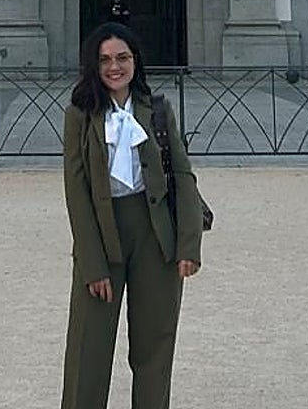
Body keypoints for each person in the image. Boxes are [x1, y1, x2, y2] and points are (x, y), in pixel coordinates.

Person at [60, 22, 203, 409]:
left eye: (122, 58)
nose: (114, 67)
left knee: (154, 345)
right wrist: (93, 265)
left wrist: (188, 243)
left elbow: (183, 175)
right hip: (102, 235)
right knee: (88, 348)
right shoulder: (79, 115)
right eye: (104, 59)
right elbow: (77, 193)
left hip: (155, 234)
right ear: (93, 65)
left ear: (135, 62)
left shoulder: (157, 110)